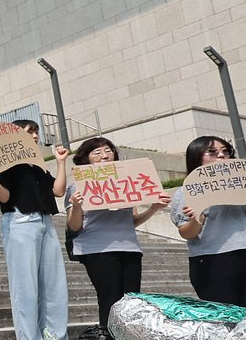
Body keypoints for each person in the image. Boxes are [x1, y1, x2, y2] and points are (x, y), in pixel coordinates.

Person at [0, 120, 69, 340]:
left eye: (36, 131)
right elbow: (4, 197)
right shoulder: (6, 164)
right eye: (29, 132)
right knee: (25, 283)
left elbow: (58, 190)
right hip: (20, 220)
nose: (35, 136)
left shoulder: (37, 165)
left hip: (45, 221)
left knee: (54, 283)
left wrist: (61, 162)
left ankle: (57, 339)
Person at [170, 135, 246, 308]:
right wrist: (198, 217)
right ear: (196, 157)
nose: (221, 155)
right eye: (212, 152)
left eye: (225, 151)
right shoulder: (187, 191)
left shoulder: (242, 187)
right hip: (213, 259)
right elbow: (186, 233)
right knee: (225, 316)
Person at [65, 137, 169, 326]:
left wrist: (154, 208)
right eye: (97, 152)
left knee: (132, 302)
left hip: (130, 248)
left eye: (108, 150)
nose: (104, 156)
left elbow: (132, 221)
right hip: (98, 250)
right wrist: (77, 206)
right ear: (85, 158)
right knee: (110, 300)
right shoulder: (77, 186)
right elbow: (74, 226)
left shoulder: (126, 182)